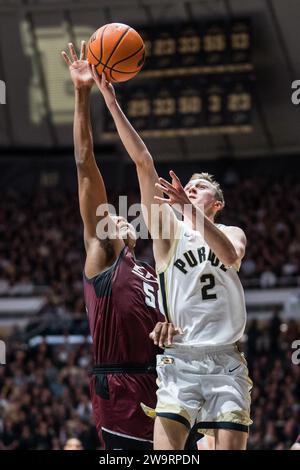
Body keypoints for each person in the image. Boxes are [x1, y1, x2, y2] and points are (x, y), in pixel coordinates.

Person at [92, 69, 252, 450]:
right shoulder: (168, 233)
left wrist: (190, 211)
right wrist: (112, 103)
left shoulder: (231, 232)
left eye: (200, 188)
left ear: (217, 203)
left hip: (226, 361)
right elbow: (144, 162)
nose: (190, 188)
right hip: (178, 360)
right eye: (188, 185)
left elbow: (229, 256)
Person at [61, 42, 163, 450]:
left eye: (125, 218)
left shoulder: (153, 270)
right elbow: (86, 163)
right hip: (118, 385)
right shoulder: (103, 254)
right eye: (113, 216)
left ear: (135, 235)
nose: (118, 217)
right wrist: (83, 94)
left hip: (163, 381)